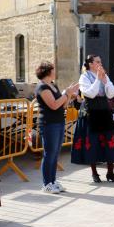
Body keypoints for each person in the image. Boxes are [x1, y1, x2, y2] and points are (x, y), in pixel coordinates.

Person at [72, 55, 114, 183]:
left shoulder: (104, 75)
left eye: (101, 61)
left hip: (104, 110)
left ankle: (110, 172)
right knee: (92, 143)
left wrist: (106, 81)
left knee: (110, 141)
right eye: (97, 61)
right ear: (90, 64)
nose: (100, 63)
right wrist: (98, 80)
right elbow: (90, 93)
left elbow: (111, 94)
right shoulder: (84, 77)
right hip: (91, 111)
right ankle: (94, 173)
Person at [35, 61, 78, 193]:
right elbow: (53, 105)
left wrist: (69, 95)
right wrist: (66, 94)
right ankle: (47, 184)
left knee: (55, 154)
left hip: (59, 122)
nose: (56, 71)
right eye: (54, 69)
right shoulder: (42, 87)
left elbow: (62, 106)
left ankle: (53, 181)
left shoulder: (53, 86)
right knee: (49, 154)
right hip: (49, 124)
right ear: (48, 71)